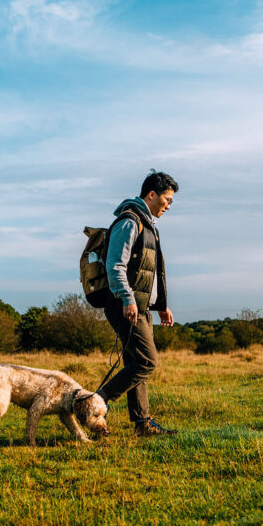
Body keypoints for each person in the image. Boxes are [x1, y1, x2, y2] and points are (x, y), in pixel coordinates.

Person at [96, 170, 178, 436]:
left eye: (171, 201)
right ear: (151, 194)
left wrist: (161, 304)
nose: (168, 205)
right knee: (147, 362)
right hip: (125, 305)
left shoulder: (148, 224)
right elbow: (115, 265)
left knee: (136, 362)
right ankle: (94, 401)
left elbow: (152, 271)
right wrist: (128, 299)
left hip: (140, 307)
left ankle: (142, 424)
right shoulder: (130, 222)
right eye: (166, 199)